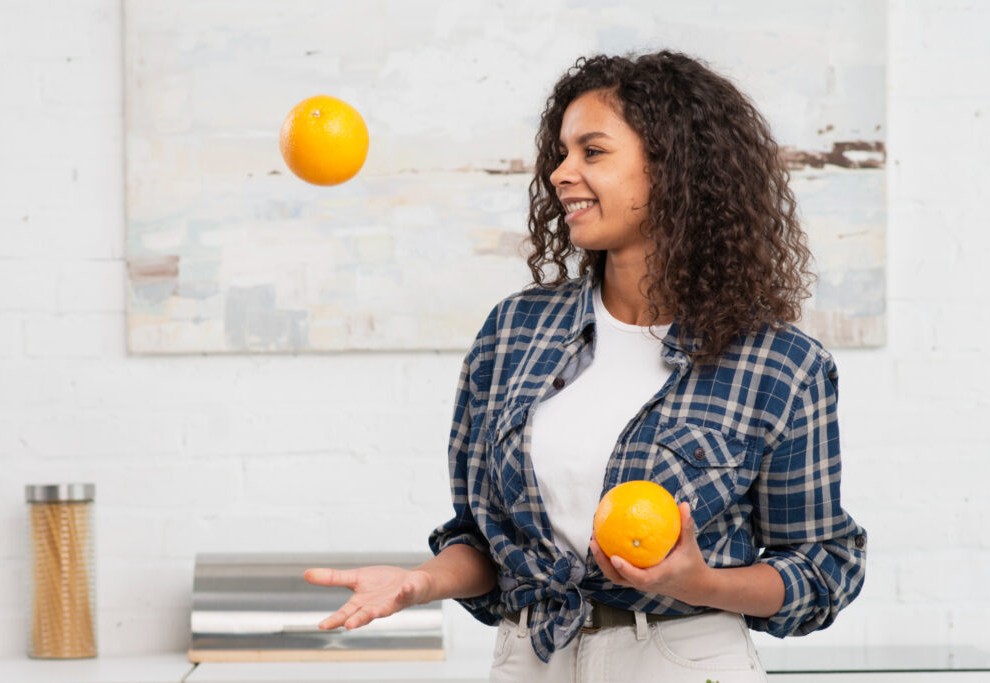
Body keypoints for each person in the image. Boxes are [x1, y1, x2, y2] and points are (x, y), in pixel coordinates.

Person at [304, 50, 866, 682]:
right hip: (530, 660)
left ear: (675, 166)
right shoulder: (514, 332)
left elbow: (822, 568)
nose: (560, 173)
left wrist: (700, 581)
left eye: (592, 152)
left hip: (681, 659)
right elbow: (480, 542)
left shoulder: (779, 364)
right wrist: (420, 582)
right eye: (562, 153)